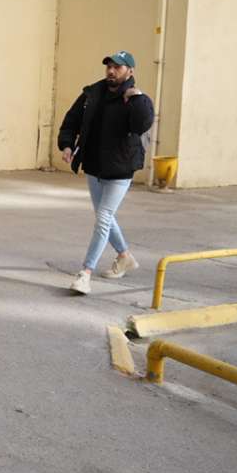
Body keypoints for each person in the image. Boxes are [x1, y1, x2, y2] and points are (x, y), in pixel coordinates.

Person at [58, 50, 154, 295]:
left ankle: (85, 274)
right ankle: (124, 256)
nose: (111, 71)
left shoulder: (135, 99)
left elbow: (142, 124)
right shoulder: (92, 93)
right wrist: (67, 145)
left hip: (121, 168)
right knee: (105, 217)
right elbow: (72, 119)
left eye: (117, 67)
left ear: (130, 71)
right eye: (109, 66)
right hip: (94, 165)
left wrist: (137, 99)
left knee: (103, 218)